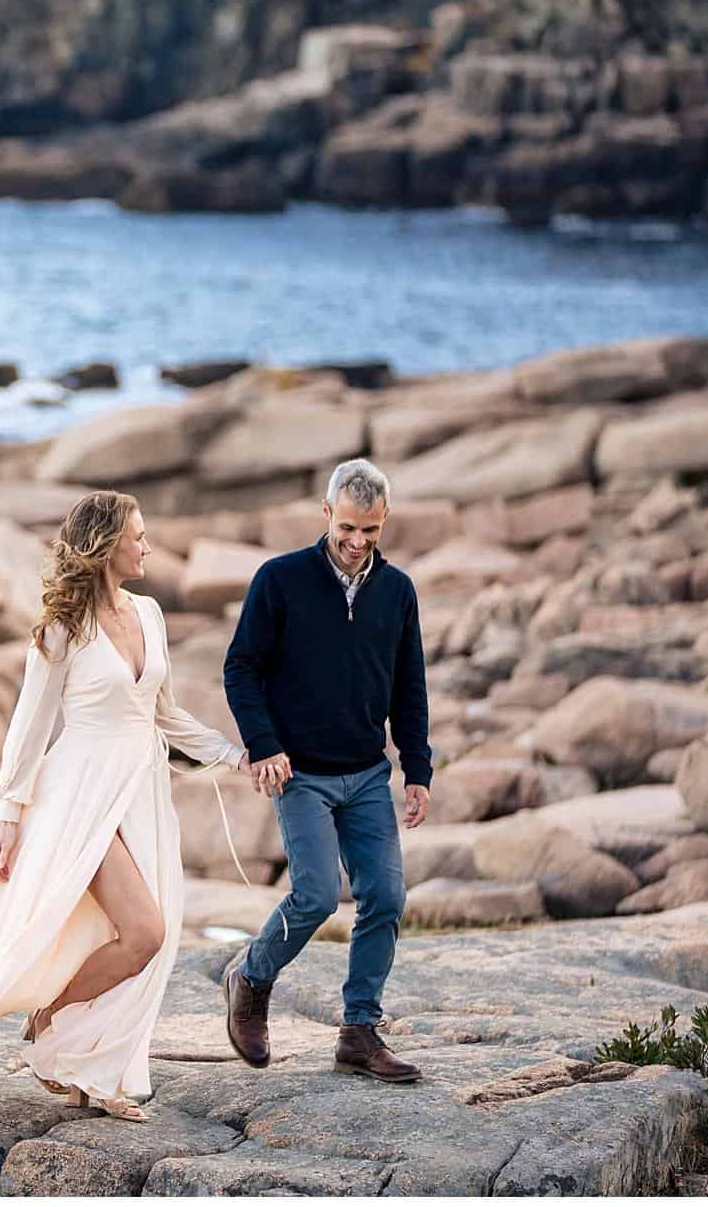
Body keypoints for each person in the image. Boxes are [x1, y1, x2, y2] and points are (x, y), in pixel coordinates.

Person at [0, 490, 249, 1120]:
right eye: (138, 536)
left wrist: (236, 756)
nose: (148, 546)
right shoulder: (61, 631)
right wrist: (11, 814)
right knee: (144, 933)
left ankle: (87, 1066)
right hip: (77, 797)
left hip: (141, 792)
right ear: (106, 546)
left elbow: (165, 714)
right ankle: (49, 1023)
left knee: (138, 933)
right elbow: (28, 726)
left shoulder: (150, 615)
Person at [221, 457, 432, 1083]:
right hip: (299, 773)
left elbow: (409, 686)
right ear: (326, 514)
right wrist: (263, 744)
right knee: (314, 894)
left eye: (370, 530)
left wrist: (416, 768)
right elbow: (241, 668)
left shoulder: (398, 592)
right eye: (347, 527)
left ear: (384, 520)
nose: (357, 542)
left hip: (367, 772)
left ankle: (359, 1032)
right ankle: (250, 980)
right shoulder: (280, 580)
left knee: (387, 896)